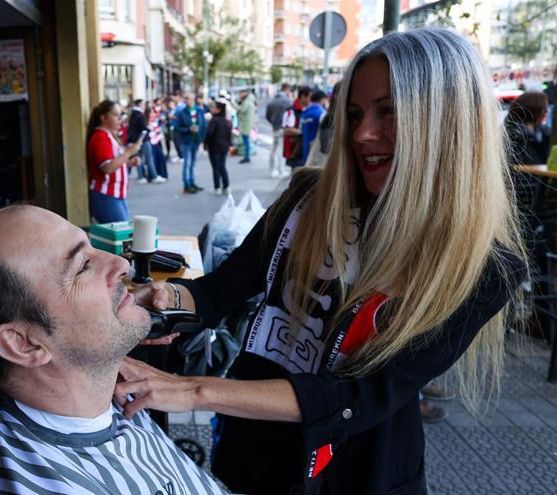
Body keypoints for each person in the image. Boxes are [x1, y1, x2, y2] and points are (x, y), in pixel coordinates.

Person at [117, 28, 527, 494]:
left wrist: (192, 390)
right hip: (255, 451)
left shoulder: (484, 266)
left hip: (361, 473)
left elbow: (361, 394)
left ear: (447, 123)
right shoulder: (306, 200)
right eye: (353, 113)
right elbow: (216, 293)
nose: (361, 134)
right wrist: (168, 296)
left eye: (388, 111)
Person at [0, 205, 225, 494]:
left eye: (91, 248)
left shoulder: (106, 391)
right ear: (24, 343)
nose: (122, 264)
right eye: (82, 267)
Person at [86, 100, 141, 223]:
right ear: (104, 118)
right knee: (120, 238)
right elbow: (107, 167)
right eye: (116, 115)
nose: (120, 119)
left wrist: (129, 162)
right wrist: (128, 152)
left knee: (121, 236)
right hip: (106, 196)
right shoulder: (100, 136)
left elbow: (113, 162)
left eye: (121, 115)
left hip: (113, 195)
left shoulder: (107, 135)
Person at [504, 91, 551, 165]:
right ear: (534, 109)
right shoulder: (514, 135)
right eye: (544, 108)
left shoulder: (542, 131)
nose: (547, 111)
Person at [175, 93, 208, 193]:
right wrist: (188, 129)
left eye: (188, 98)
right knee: (187, 163)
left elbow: (204, 126)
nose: (186, 100)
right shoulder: (181, 113)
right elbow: (177, 128)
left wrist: (202, 138)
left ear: (193, 99)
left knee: (193, 163)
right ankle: (187, 184)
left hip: (196, 141)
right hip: (186, 141)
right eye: (185, 99)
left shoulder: (200, 111)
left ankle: (192, 182)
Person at [205, 100, 233, 195]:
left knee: (216, 168)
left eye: (214, 107)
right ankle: (226, 186)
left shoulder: (214, 121)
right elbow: (229, 135)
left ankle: (217, 187)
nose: (212, 109)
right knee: (222, 167)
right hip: (224, 147)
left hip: (214, 147)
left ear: (218, 109)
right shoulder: (226, 121)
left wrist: (206, 143)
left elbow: (209, 134)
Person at [266, 83, 294, 177]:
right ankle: (281, 170)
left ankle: (272, 170)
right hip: (283, 128)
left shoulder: (272, 100)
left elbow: (267, 116)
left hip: (275, 127)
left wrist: (273, 123)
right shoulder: (287, 101)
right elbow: (291, 114)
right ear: (287, 89)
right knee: (281, 149)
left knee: (273, 149)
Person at [283, 86, 311, 170]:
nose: (311, 99)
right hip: (296, 153)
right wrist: (304, 131)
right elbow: (286, 131)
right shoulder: (291, 111)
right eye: (309, 97)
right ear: (303, 97)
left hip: (305, 152)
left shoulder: (308, 110)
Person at [127, 99, 152, 182]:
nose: (144, 106)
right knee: (148, 159)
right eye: (143, 104)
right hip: (142, 140)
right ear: (140, 105)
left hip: (136, 140)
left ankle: (141, 176)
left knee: (139, 159)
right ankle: (153, 176)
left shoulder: (133, 114)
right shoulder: (140, 115)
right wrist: (148, 130)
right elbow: (143, 129)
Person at [300, 90, 327, 165]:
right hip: (316, 148)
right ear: (322, 99)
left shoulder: (304, 112)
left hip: (305, 145)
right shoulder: (322, 113)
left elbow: (301, 129)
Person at [237, 89, 257, 163]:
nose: (239, 95)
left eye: (240, 93)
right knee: (246, 140)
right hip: (247, 124)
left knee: (246, 140)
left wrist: (234, 104)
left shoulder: (247, 102)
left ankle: (247, 156)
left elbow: (242, 110)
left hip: (246, 124)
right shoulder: (249, 101)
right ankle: (246, 156)